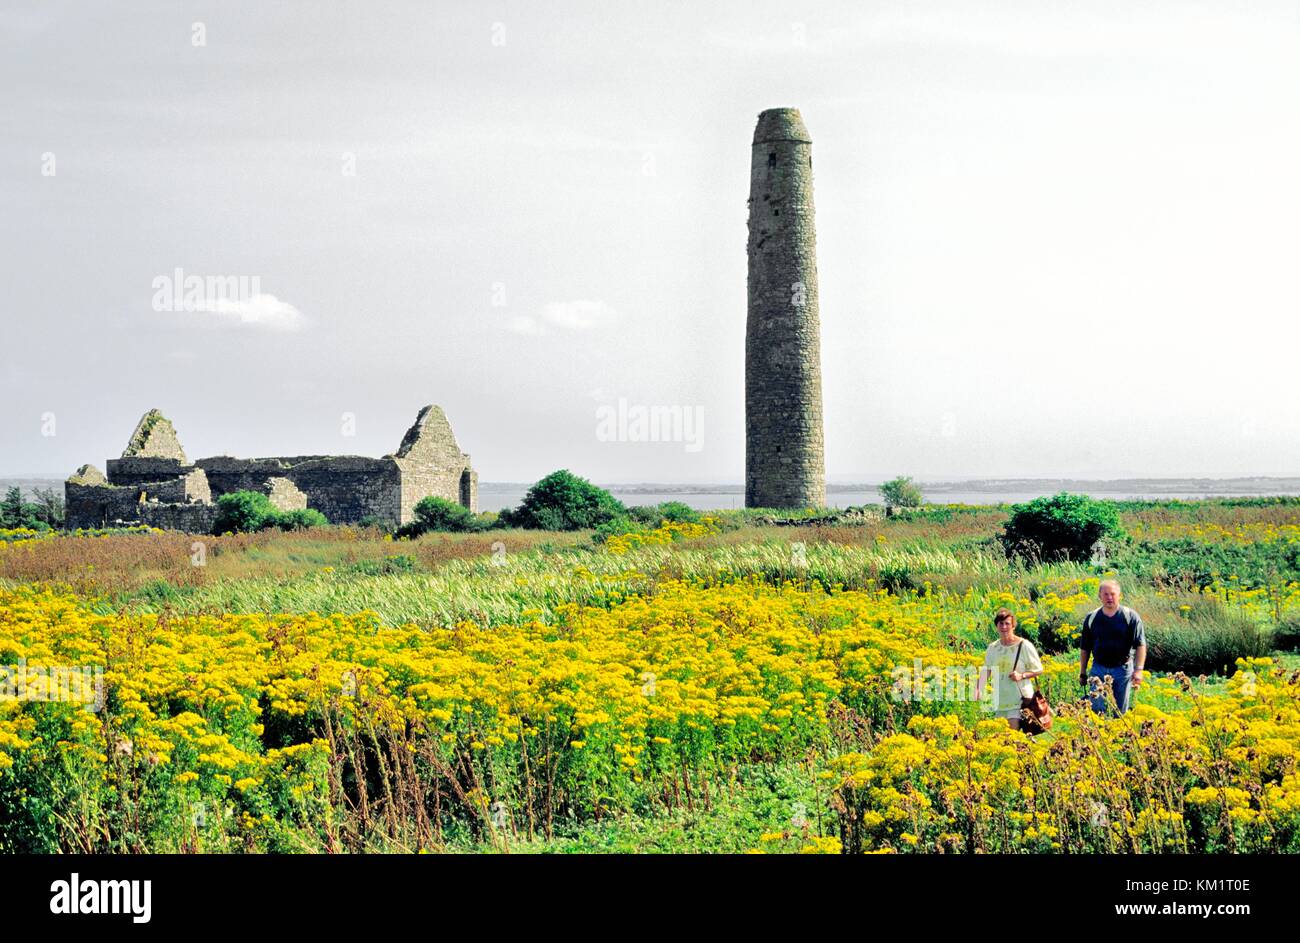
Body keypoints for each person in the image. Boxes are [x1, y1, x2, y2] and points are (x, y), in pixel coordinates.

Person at [1079, 578, 1147, 715]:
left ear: (1119, 595)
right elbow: (1085, 647)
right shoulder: (1092, 618)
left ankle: (1118, 729)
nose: (1109, 597)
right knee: (1097, 711)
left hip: (1122, 670)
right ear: (1099, 596)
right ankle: (1100, 728)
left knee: (1119, 712)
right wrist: (1083, 672)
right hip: (1098, 669)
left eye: (1113, 594)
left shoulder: (1130, 617)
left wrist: (1139, 670)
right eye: (1105, 594)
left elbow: (1141, 645)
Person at [977, 608, 1043, 731]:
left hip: (1019, 700)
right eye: (1001, 623)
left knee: (1013, 735)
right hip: (1000, 700)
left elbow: (1038, 669)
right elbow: (987, 670)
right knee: (1002, 737)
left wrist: (1021, 676)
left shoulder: (1024, 645)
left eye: (1007, 623)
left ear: (1013, 626)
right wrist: (978, 689)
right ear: (996, 626)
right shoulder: (993, 648)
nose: (1004, 627)